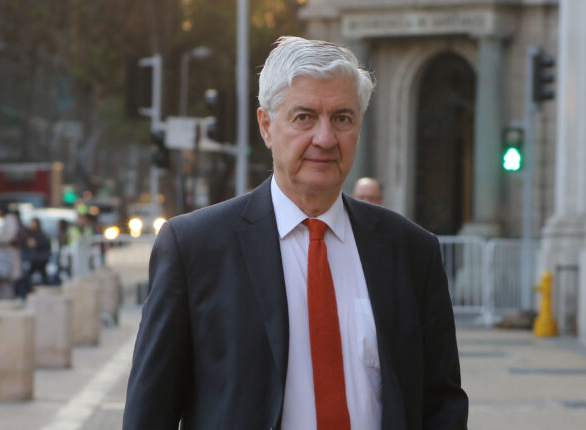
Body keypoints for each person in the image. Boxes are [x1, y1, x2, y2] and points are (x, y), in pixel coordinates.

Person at [123, 36, 468, 430]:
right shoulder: (194, 248)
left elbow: (441, 403)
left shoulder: (412, 251)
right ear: (266, 126)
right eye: (304, 117)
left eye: (342, 118)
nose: (325, 138)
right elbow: (150, 413)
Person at [23, 217, 51, 287]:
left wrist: (36, 243)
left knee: (42, 274)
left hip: (41, 258)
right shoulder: (29, 233)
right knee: (29, 274)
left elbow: (45, 244)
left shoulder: (42, 234)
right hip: (33, 258)